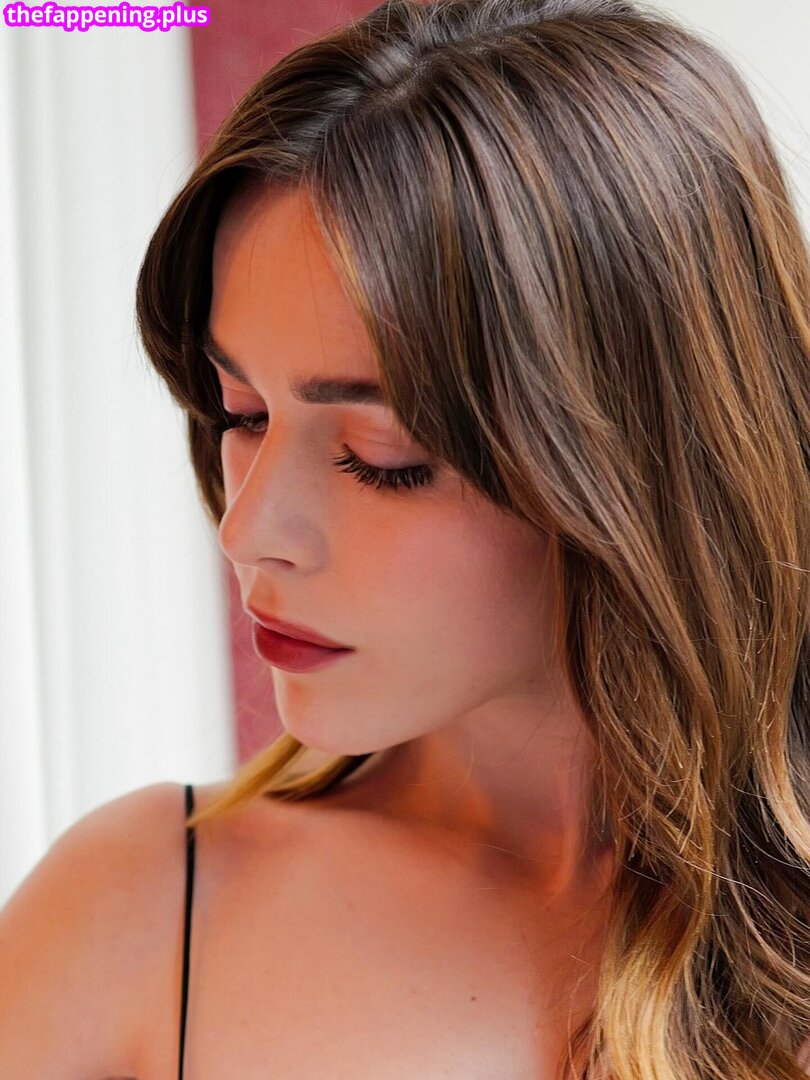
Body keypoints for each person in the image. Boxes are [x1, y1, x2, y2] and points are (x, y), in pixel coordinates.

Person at [1, 0, 808, 1076]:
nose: (248, 533)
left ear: (637, 465)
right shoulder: (140, 913)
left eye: (380, 457)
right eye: (242, 415)